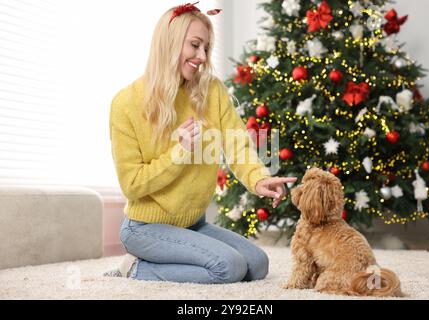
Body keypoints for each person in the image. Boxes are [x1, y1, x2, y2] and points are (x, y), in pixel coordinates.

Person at [105, 2, 297, 283]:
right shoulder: (126, 103)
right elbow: (131, 183)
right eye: (195, 45)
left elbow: (237, 145)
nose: (202, 56)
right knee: (228, 267)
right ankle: (135, 268)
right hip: (144, 227)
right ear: (169, 43)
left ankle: (167, 258)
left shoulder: (211, 90)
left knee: (257, 264)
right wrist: (179, 152)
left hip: (193, 224)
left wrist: (258, 179)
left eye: (206, 48)